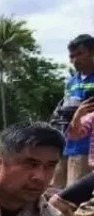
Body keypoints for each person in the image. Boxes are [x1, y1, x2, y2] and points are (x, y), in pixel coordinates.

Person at [52, 34, 94, 188]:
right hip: (67, 144)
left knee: (74, 197)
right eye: (72, 56)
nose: (75, 59)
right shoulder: (71, 82)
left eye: (80, 54)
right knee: (55, 192)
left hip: (86, 147)